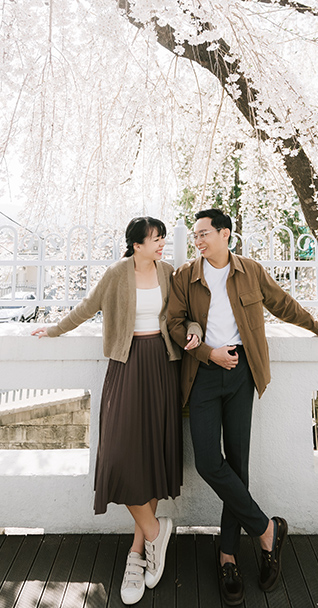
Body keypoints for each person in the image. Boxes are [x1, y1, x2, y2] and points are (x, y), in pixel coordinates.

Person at [167, 208, 318, 606]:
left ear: (225, 234)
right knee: (207, 461)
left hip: (242, 375)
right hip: (202, 374)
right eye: (195, 235)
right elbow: (175, 323)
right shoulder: (185, 276)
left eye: (204, 234)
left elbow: (283, 304)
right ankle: (267, 531)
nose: (198, 240)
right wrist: (208, 353)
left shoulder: (250, 271)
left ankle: (228, 556)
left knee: (237, 463)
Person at [33, 216, 196, 605]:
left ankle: (137, 554)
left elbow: (186, 314)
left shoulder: (170, 272)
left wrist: (195, 331)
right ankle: (158, 532)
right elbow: (88, 307)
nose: (161, 244)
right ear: (136, 245)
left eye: (161, 238)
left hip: (163, 364)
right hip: (126, 365)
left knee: (152, 455)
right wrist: (55, 329)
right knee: (119, 458)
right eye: (155, 239)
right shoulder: (116, 273)